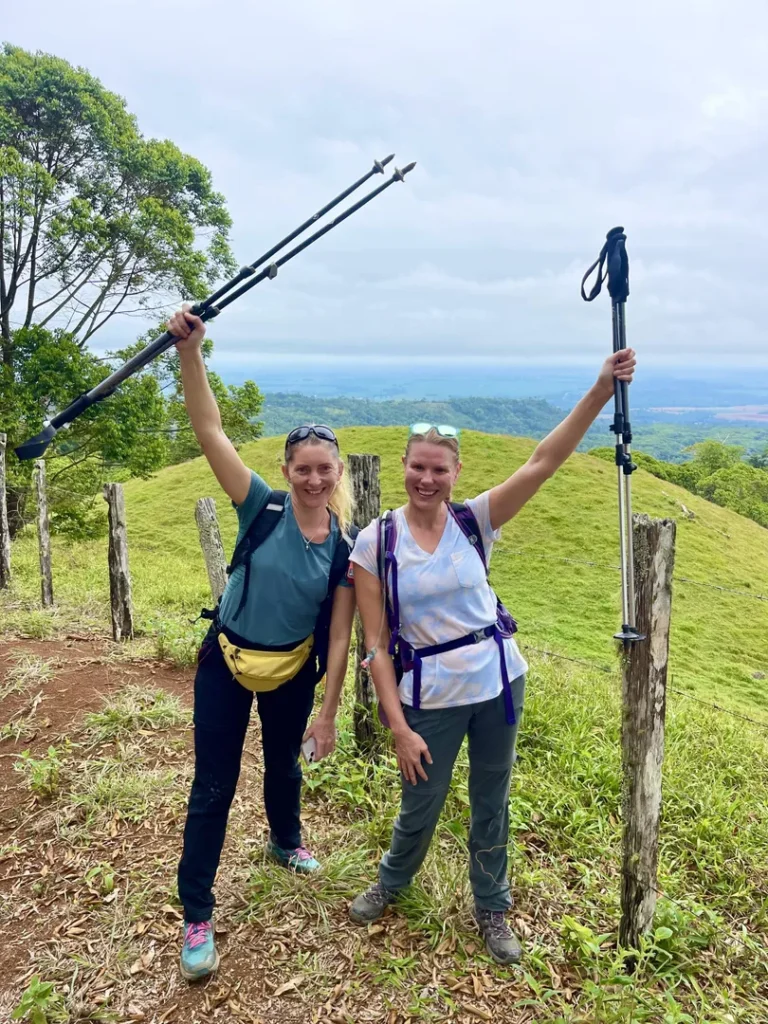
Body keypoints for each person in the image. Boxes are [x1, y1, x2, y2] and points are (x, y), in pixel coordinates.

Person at [347, 349, 636, 965]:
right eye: (418, 467)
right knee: (421, 799)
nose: (428, 479)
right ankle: (392, 881)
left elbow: (544, 461)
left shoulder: (474, 520)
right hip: (429, 696)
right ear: (403, 466)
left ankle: (492, 905)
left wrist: (599, 391)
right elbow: (373, 645)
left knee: (491, 796)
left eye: (440, 469)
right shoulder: (377, 541)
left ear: (456, 472)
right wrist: (397, 726)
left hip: (500, 681)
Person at [167, 306, 357, 982]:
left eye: (323, 470)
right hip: (226, 661)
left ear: (338, 475)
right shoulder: (262, 506)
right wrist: (190, 351)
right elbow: (209, 428)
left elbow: (339, 633)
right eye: (302, 468)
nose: (312, 480)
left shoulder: (343, 548)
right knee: (213, 786)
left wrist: (329, 710)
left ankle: (285, 840)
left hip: (293, 672)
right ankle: (197, 913)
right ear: (287, 468)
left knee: (285, 769)